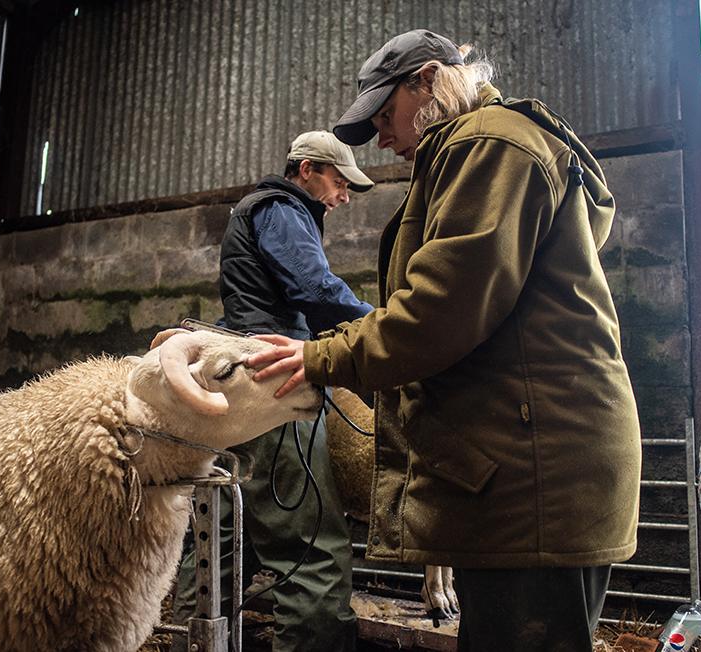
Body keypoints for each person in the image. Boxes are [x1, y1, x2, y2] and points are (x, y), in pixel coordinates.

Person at [248, 29, 642, 652]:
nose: (381, 137)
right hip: (525, 469)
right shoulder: (477, 149)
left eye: (385, 115)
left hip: (537, 481)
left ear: (427, 80)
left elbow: (441, 311)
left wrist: (319, 355)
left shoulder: (489, 145)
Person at [172, 130, 375, 652]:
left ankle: (190, 641)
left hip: (239, 377)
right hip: (274, 384)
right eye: (338, 181)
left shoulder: (259, 208)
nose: (344, 195)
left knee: (222, 533)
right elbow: (316, 289)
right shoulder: (284, 208)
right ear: (306, 170)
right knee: (312, 548)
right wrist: (388, 330)